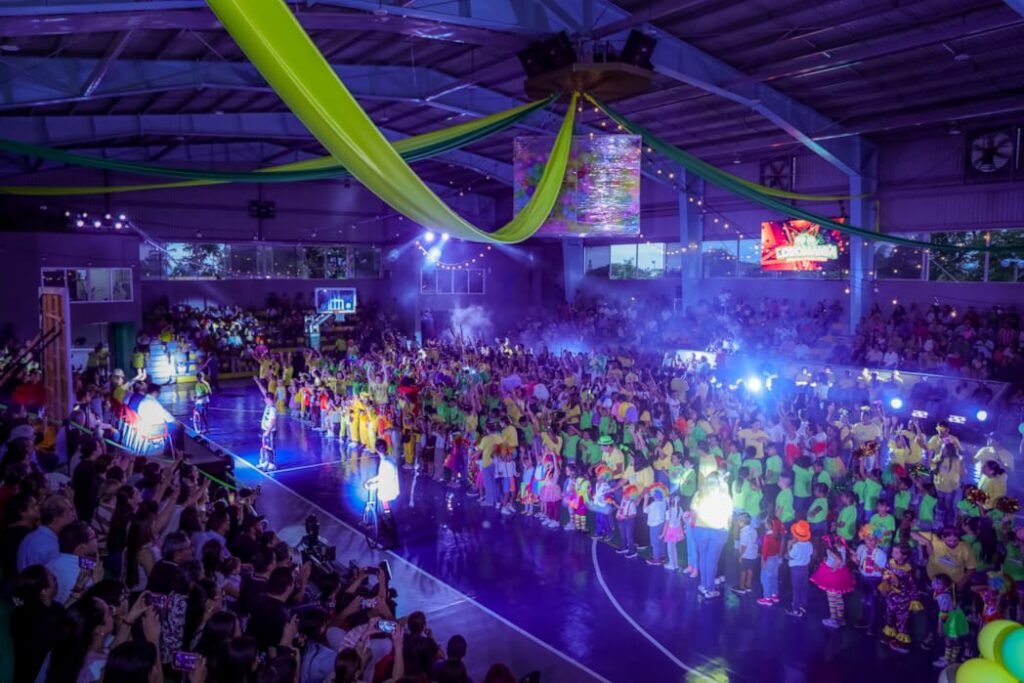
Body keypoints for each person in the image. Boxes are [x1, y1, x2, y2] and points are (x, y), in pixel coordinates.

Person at [690, 472, 733, 597]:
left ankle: (704, 585)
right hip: (718, 531)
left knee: (703, 558)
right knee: (712, 561)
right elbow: (729, 517)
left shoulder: (699, 494)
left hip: (700, 529)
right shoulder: (725, 497)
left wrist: (695, 526)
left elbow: (693, 513)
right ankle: (710, 589)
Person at [811, 535, 856, 628]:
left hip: (832, 576)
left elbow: (838, 560)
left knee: (832, 598)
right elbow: (853, 554)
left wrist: (834, 569)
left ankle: (833, 619)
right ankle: (840, 618)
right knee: (839, 598)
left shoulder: (831, 550)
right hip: (841, 574)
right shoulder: (843, 548)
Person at [881, 544, 917, 653]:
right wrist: (884, 585)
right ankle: (890, 634)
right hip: (891, 595)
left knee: (902, 620)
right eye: (893, 551)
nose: (893, 554)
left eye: (896, 553)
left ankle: (902, 642)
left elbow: (913, 585)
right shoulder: (890, 563)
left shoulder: (908, 570)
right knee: (889, 615)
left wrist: (914, 600)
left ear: (904, 556)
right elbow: (886, 574)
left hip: (903, 598)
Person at [786, 520, 812, 617]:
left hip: (796, 570)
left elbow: (789, 556)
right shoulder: (809, 544)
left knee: (796, 589)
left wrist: (789, 546)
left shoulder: (796, 547)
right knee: (804, 587)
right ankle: (802, 605)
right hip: (805, 568)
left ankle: (795, 610)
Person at [255, 378, 277, 471]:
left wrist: (268, 431)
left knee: (270, 446)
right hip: (265, 429)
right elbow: (264, 392)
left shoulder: (272, 408)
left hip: (269, 431)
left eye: (265, 398)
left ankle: (272, 463)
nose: (264, 399)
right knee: (264, 446)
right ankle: (265, 461)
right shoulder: (268, 405)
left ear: (269, 399)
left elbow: (273, 420)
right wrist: (258, 382)